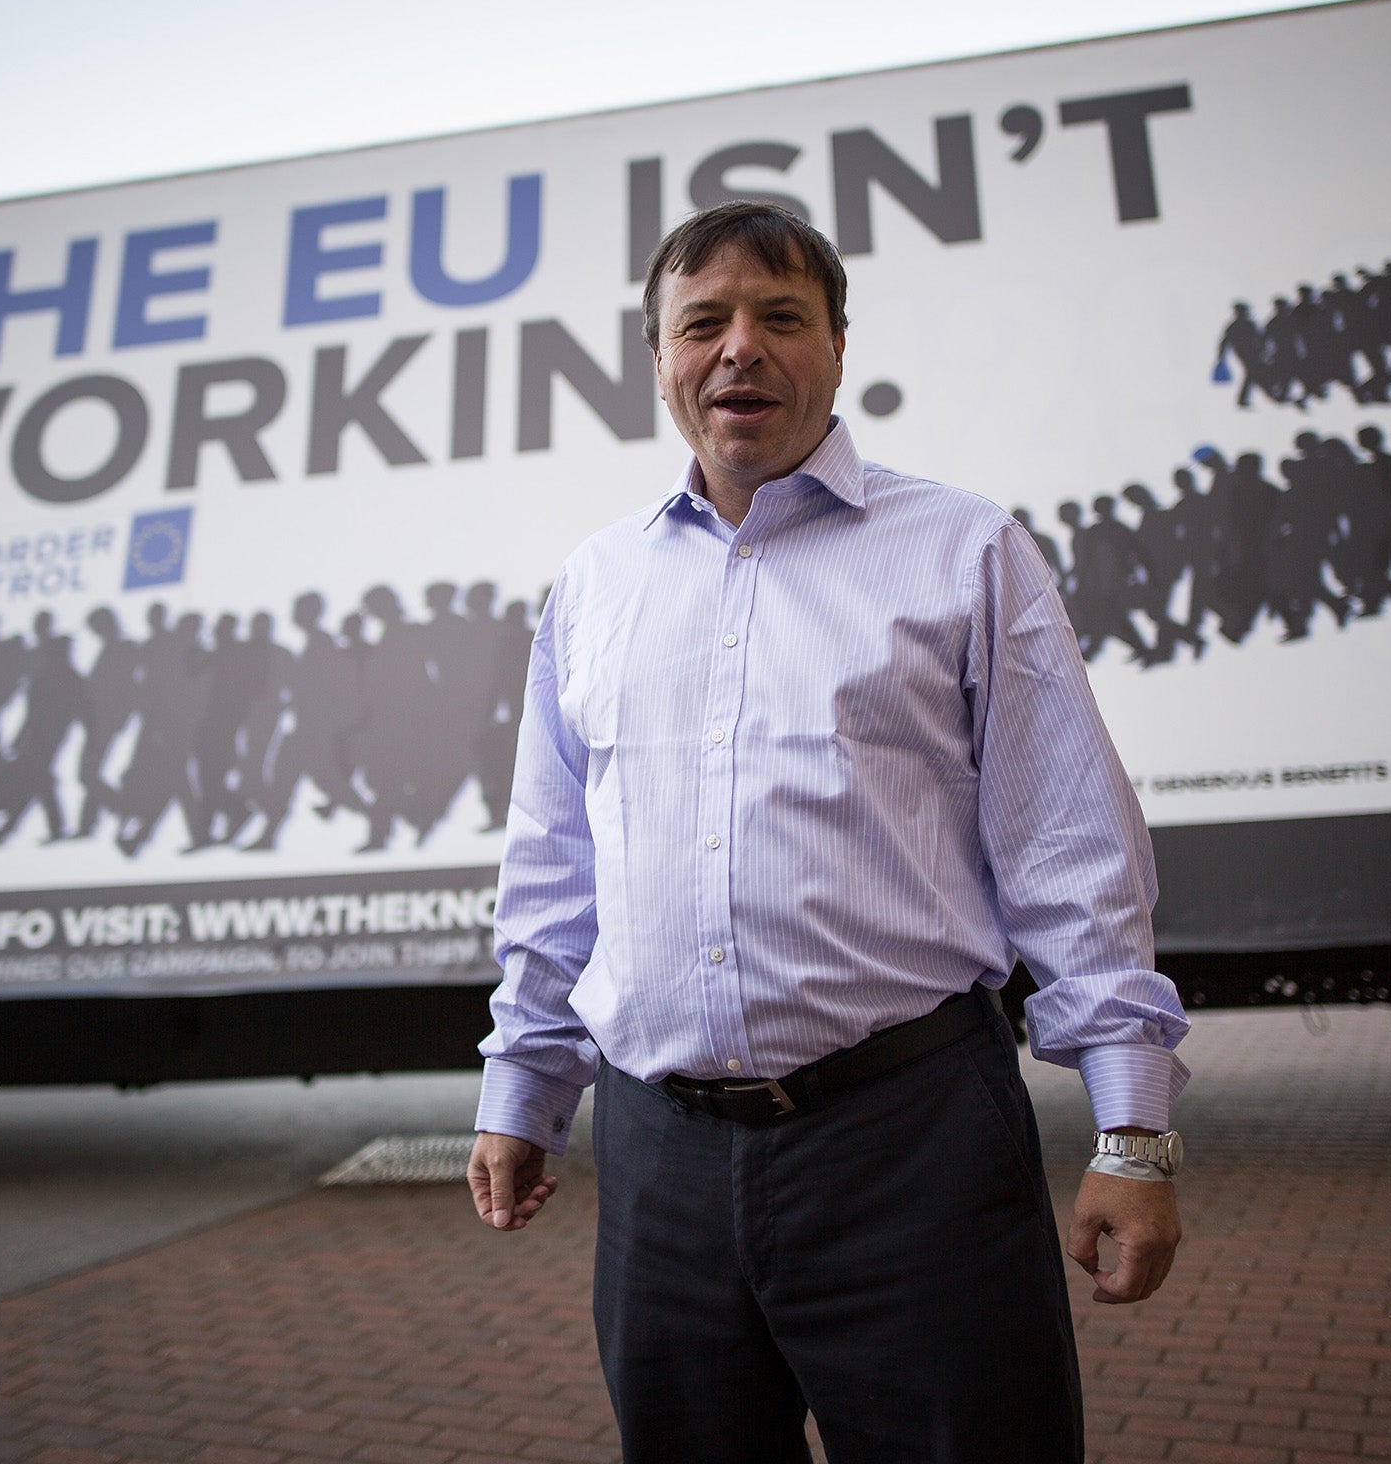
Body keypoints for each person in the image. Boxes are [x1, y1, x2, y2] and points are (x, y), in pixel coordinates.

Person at [467, 200, 1189, 1464]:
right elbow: (556, 862)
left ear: (837, 348)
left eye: (780, 317)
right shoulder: (594, 588)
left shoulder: (962, 551)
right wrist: (524, 1084)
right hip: (657, 1167)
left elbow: (1070, 850)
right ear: (660, 360)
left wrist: (1132, 1133)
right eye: (703, 322)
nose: (739, 348)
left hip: (912, 1148)